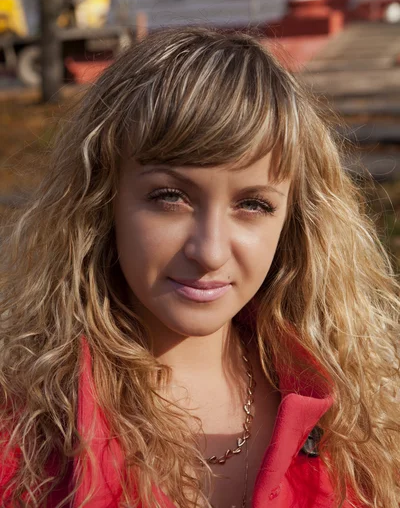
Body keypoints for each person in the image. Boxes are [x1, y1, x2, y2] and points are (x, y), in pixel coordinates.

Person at [0, 27, 399, 508]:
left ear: (294, 220)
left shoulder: (363, 423)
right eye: (170, 197)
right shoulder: (22, 431)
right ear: (102, 201)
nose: (210, 252)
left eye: (252, 204)